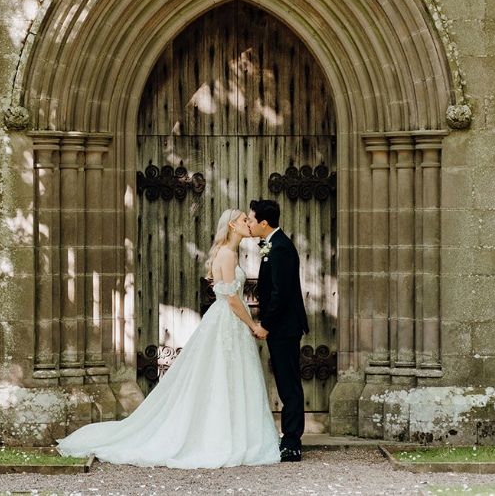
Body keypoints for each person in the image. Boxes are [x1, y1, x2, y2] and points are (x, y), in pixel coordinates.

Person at [56, 209, 281, 468]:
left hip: (225, 323)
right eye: (244, 220)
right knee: (223, 375)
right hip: (227, 321)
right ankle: (222, 437)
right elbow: (232, 299)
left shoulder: (228, 253)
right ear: (232, 225)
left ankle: (230, 433)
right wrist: (253, 323)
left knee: (225, 376)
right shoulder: (228, 255)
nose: (248, 223)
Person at [248, 199, 310, 463]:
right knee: (286, 383)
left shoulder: (281, 248)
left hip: (284, 328)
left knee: (289, 386)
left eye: (251, 220)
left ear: (264, 222)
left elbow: (281, 294)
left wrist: (266, 325)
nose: (249, 224)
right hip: (280, 328)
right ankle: (289, 440)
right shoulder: (273, 245)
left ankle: (292, 444)